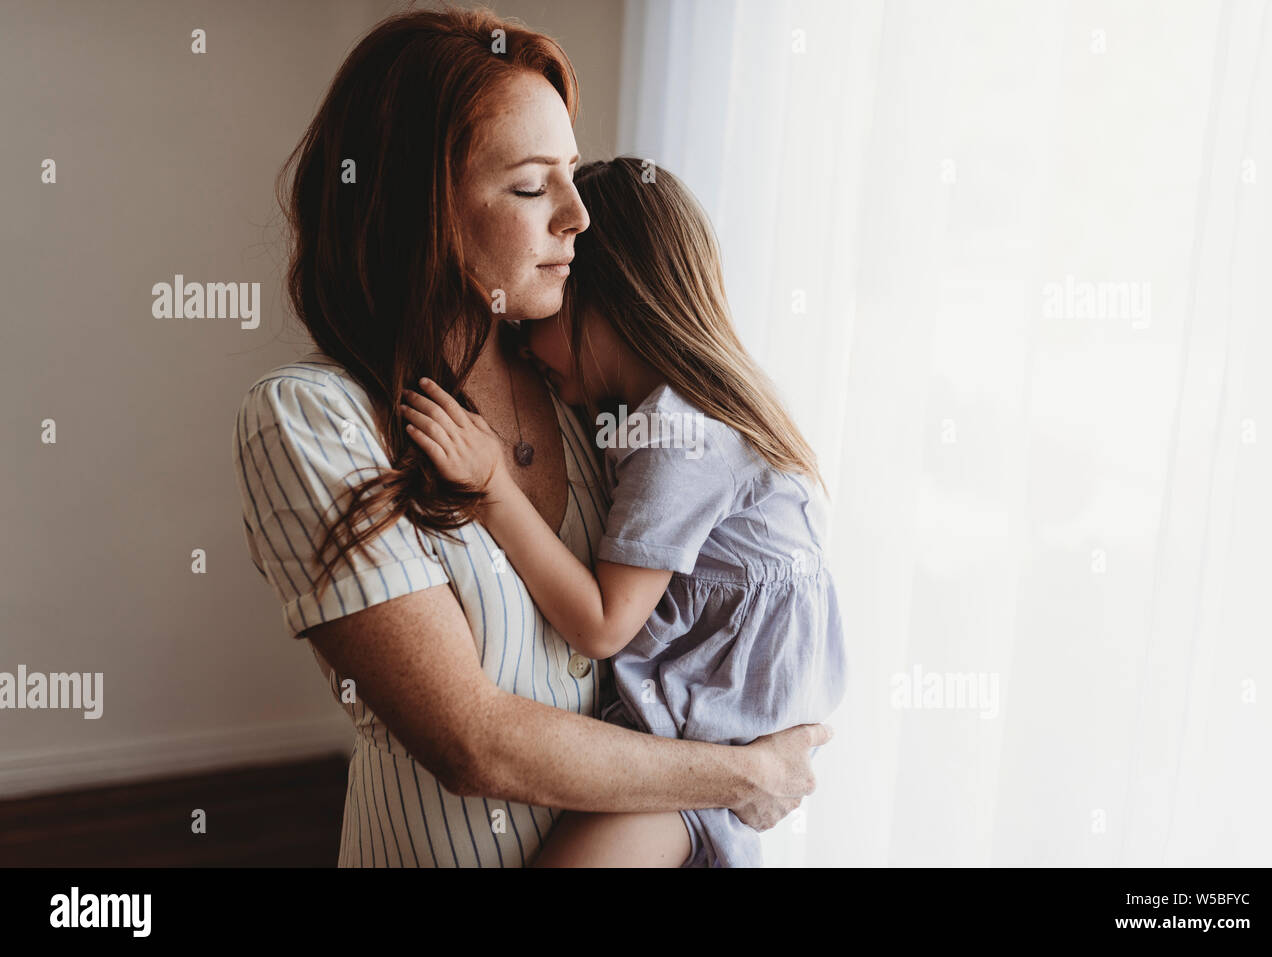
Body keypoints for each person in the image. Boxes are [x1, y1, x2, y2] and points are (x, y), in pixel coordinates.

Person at [231, 8, 830, 868]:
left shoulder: (586, 387)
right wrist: (738, 774)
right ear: (421, 212)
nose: (580, 217)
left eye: (574, 175)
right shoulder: (313, 420)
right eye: (529, 186)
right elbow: (475, 742)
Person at [398, 157, 848, 867]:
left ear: (608, 301)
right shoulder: (674, 414)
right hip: (701, 751)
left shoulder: (678, 432)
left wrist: (492, 487)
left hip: (690, 763)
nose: (522, 343)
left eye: (546, 306)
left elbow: (603, 624)